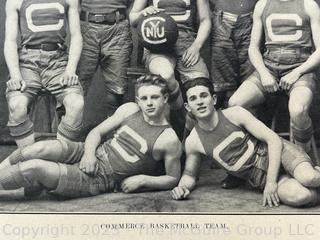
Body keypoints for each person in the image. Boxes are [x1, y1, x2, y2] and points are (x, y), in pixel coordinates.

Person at [0, 74, 182, 198]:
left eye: (155, 97)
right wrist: (89, 154)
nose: (149, 103)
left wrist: (143, 180)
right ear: (138, 100)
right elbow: (97, 132)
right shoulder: (130, 109)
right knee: (40, 147)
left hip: (101, 177)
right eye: (144, 98)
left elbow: (173, 178)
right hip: (91, 153)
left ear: (165, 98)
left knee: (34, 168)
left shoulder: (168, 139)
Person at [171, 78, 320, 208]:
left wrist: (271, 183)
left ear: (214, 99)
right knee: (302, 196)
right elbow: (189, 175)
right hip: (260, 177)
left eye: (204, 96)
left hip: (280, 154)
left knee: (309, 178)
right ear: (187, 107)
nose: (200, 102)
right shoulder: (193, 141)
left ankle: (309, 175)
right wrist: (182, 187)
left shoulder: (235, 114)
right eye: (193, 98)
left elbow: (273, 140)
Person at [228, 0, 320, 152]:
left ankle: (303, 157)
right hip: (269, 67)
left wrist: (296, 73)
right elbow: (253, 48)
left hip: (300, 68)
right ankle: (255, 154)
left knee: (298, 110)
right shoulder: (263, 4)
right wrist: (264, 73)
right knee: (234, 104)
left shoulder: (308, 4)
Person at [4, 0, 84, 147]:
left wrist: (70, 70)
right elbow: (10, 41)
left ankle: (57, 156)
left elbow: (76, 35)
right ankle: (29, 157)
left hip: (58, 60)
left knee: (76, 104)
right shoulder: (15, 1)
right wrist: (15, 74)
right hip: (27, 62)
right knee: (17, 105)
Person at [129, 0, 211, 137]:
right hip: (157, 43)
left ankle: (193, 136)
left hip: (186, 43)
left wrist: (196, 46)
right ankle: (183, 123)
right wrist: (143, 13)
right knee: (165, 76)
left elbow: (205, 20)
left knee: (201, 84)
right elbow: (133, 18)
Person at [77, 0, 133, 114]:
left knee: (117, 90)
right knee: (75, 87)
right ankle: (68, 131)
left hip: (118, 29)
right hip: (86, 27)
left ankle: (113, 131)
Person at [210, 0, 257, 107]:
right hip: (222, 19)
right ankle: (229, 120)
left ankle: (247, 121)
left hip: (250, 19)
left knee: (250, 79)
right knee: (224, 85)